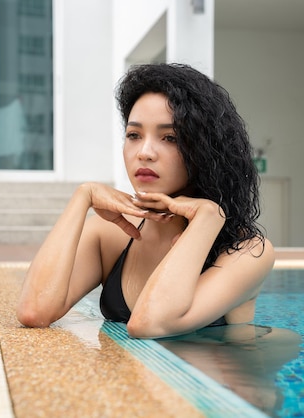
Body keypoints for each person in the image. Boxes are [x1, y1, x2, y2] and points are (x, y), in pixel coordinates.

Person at [17, 63, 275, 338]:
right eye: (134, 135)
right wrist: (83, 197)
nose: (145, 152)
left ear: (206, 151)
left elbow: (149, 324)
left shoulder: (246, 251)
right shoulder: (110, 236)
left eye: (170, 137)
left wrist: (207, 220)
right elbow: (35, 310)